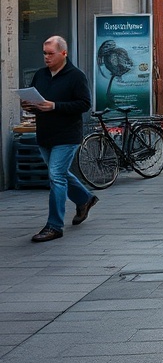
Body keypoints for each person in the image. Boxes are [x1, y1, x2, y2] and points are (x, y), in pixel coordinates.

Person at [21, 36, 96, 242]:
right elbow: (36, 99)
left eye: (50, 54)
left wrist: (55, 106)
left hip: (67, 135)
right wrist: (28, 106)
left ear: (64, 53)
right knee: (60, 174)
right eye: (44, 53)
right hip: (45, 134)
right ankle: (85, 199)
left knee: (55, 176)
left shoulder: (76, 76)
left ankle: (54, 226)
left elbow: (84, 104)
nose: (46, 57)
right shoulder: (40, 75)